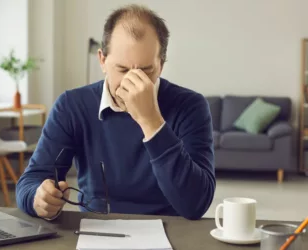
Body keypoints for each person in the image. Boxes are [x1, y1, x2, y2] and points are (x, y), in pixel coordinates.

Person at [16, 4, 215, 220]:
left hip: (171, 231)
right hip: (98, 230)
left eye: (146, 70)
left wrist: (151, 121)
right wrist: (38, 198)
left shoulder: (190, 106)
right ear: (102, 60)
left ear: (161, 65)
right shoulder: (72, 105)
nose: (133, 81)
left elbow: (196, 204)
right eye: (122, 70)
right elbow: (30, 182)